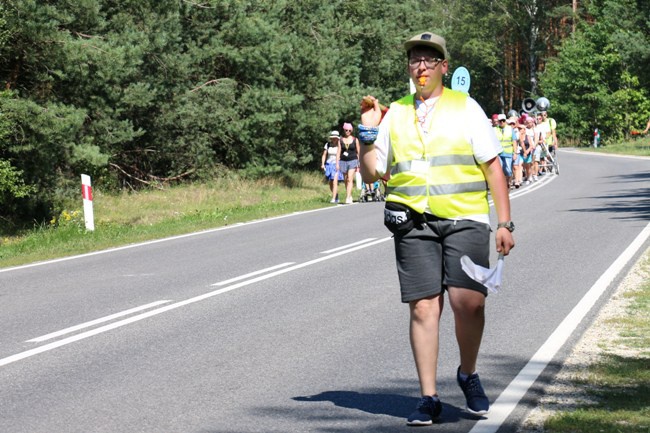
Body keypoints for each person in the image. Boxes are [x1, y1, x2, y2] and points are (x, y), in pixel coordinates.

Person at [358, 31, 515, 426]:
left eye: (429, 60)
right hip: (414, 223)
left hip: (465, 218)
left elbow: (492, 166)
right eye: (415, 60)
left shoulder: (466, 107)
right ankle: (428, 396)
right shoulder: (395, 112)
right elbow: (374, 172)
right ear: (409, 68)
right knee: (424, 306)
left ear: (444, 67)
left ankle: (468, 373)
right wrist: (366, 134)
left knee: (469, 302)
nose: (421, 66)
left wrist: (505, 222)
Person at [339, 122, 361, 204]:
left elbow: (358, 152)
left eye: (349, 130)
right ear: (344, 130)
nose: (348, 131)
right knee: (345, 179)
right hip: (343, 161)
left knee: (349, 178)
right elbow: (338, 152)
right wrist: (337, 163)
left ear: (351, 131)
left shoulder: (355, 140)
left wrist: (359, 163)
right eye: (346, 130)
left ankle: (347, 197)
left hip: (353, 160)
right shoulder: (341, 140)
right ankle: (349, 194)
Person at [321, 130, 343, 203]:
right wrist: (322, 164)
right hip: (329, 164)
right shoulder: (327, 144)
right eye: (332, 138)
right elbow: (324, 155)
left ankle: (333, 199)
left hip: (336, 164)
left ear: (337, 138)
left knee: (334, 182)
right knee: (330, 182)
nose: (334, 139)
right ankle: (335, 195)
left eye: (335, 138)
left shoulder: (340, 145)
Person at [494, 113, 515, 188]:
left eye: (503, 121)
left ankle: (508, 181)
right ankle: (503, 184)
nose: (502, 122)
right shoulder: (495, 129)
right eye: (500, 121)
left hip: (508, 152)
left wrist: (515, 153)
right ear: (498, 121)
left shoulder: (510, 129)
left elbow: (514, 141)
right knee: (500, 169)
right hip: (498, 153)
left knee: (508, 170)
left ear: (505, 121)